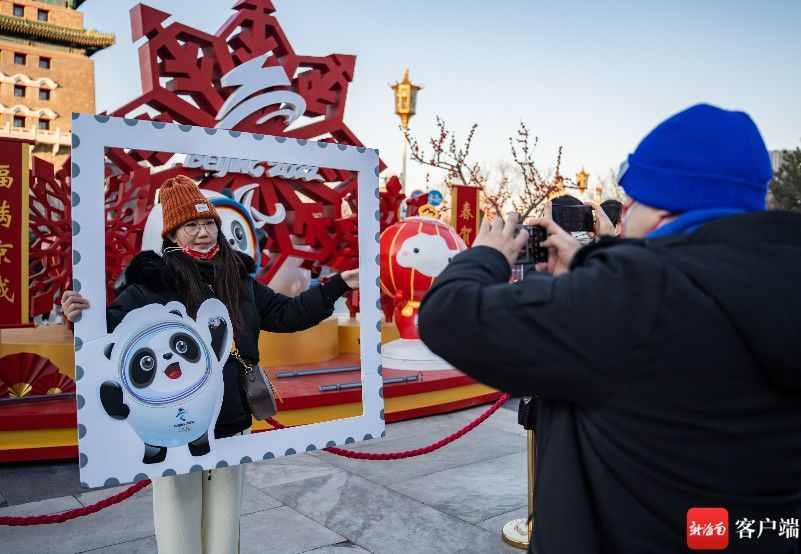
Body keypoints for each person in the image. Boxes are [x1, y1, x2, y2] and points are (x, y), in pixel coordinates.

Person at [418, 104, 801, 553]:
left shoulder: (638, 295)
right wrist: (588, 266)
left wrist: (486, 255)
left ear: (661, 203)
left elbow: (450, 315)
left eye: (631, 197)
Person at [61, 175, 359, 553]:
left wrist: (336, 286)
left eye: (208, 224)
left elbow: (288, 314)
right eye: (191, 225)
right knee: (178, 524)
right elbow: (111, 330)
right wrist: (79, 319)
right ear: (172, 234)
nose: (203, 233)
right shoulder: (153, 283)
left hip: (233, 418)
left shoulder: (238, 278)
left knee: (224, 524)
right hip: (174, 425)